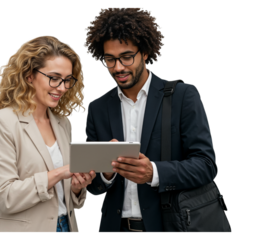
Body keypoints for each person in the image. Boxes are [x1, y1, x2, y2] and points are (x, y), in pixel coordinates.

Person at [82, 7, 219, 233]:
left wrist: (154, 173)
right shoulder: (97, 109)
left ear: (144, 52)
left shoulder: (183, 97)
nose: (118, 67)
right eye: (110, 59)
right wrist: (105, 174)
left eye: (126, 57)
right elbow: (96, 187)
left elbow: (205, 166)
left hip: (169, 226)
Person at [0, 35, 96, 233]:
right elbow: (4, 196)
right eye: (54, 78)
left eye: (68, 80)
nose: (62, 88)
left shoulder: (63, 123)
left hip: (66, 227)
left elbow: (65, 197)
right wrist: (60, 173)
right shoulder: (0, 123)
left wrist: (77, 186)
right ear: (29, 75)